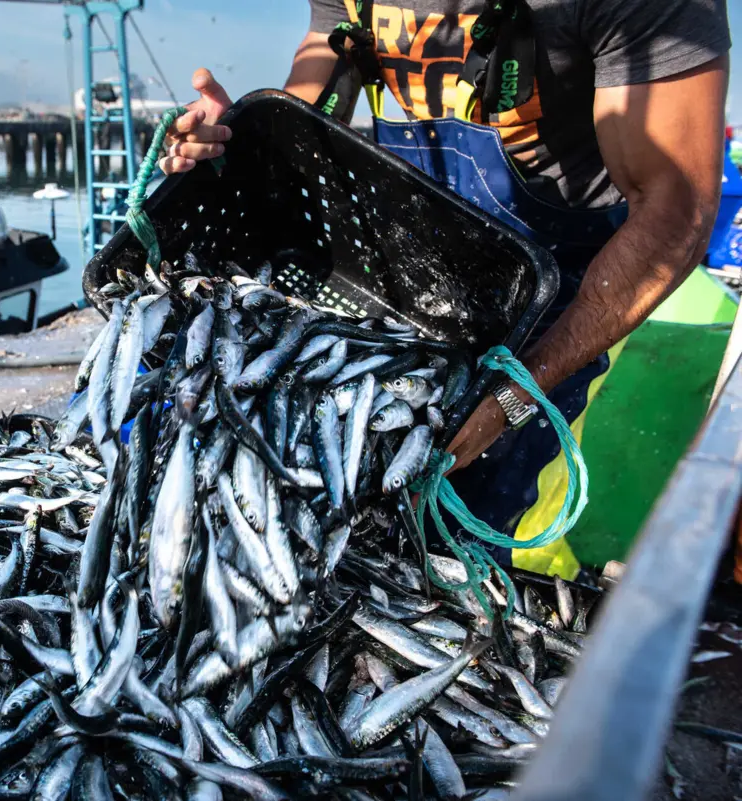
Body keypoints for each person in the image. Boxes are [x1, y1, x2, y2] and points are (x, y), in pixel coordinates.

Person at [161, 0, 730, 577]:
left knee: (469, 539)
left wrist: (513, 395)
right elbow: (328, 60)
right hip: (401, 279)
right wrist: (242, 143)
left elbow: (676, 208)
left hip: (552, 315)